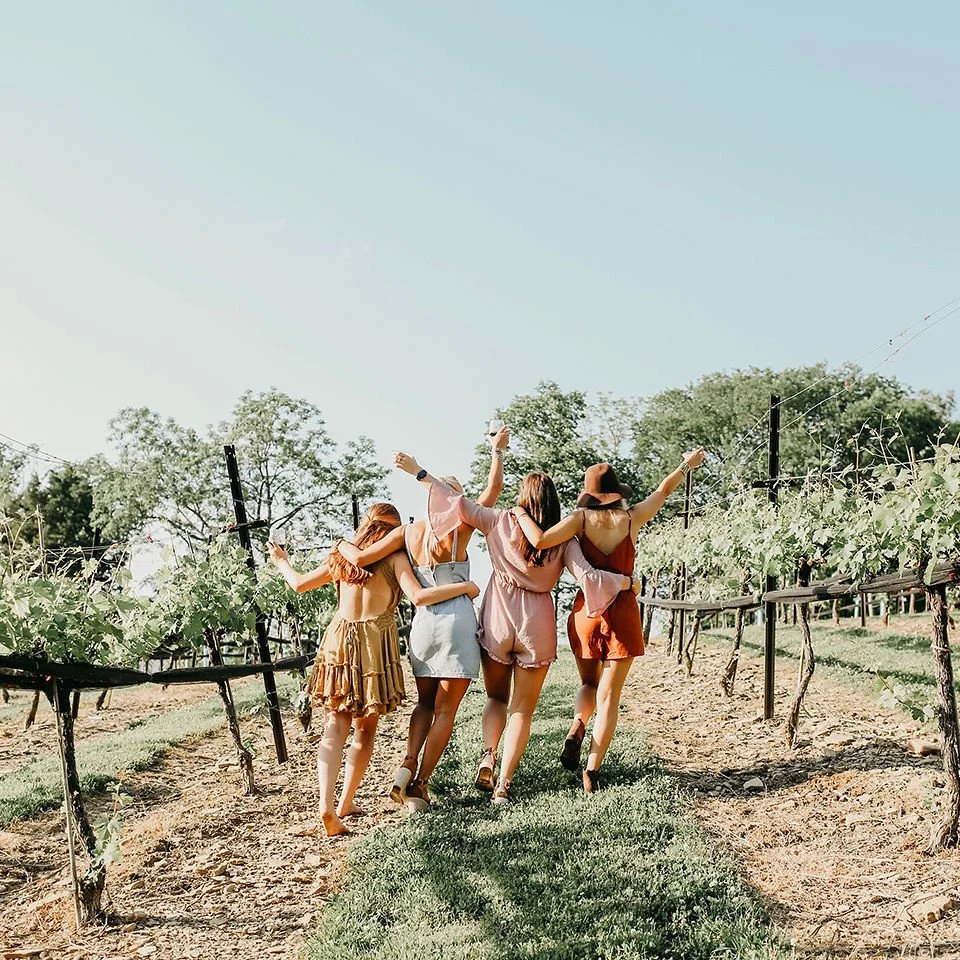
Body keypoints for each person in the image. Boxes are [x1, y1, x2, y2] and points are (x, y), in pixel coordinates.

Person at [395, 453, 641, 804]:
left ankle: (489, 755)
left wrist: (419, 472)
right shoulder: (564, 539)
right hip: (536, 622)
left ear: (523, 499)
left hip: (498, 616)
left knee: (496, 698)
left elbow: (456, 502)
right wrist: (625, 582)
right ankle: (503, 785)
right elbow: (589, 577)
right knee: (522, 710)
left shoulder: (499, 520)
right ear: (554, 504)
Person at [269, 503, 480, 836]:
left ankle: (327, 805)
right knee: (364, 730)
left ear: (365, 527)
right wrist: (465, 588)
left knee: (334, 725)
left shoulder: (340, 558)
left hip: (338, 638)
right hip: (372, 645)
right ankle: (345, 802)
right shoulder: (395, 560)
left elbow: (297, 584)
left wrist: (282, 561)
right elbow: (421, 596)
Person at [333, 427, 510, 811]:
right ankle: (419, 785)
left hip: (423, 625)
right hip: (456, 623)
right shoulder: (461, 529)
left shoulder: (408, 533)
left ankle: (407, 763)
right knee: (446, 711)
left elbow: (361, 558)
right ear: (456, 502)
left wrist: (341, 543)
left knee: (424, 705)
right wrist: (496, 454)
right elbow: (491, 495)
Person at [512, 450, 706, 792]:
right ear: (617, 493)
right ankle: (592, 770)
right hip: (623, 612)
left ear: (588, 494)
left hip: (587, 613)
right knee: (610, 697)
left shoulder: (579, 520)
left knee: (589, 684)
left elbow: (539, 540)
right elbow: (663, 490)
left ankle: (577, 724)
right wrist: (685, 465)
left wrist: (520, 513)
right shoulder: (632, 518)